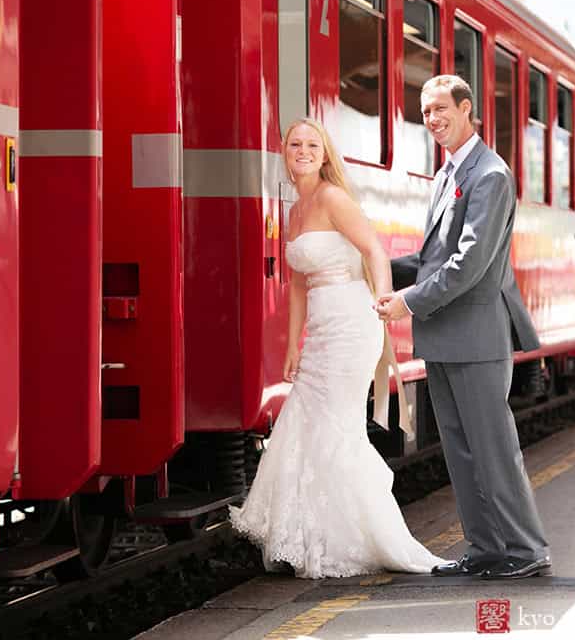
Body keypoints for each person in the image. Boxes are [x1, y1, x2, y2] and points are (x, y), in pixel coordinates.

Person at [229, 118, 446, 579]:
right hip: (323, 329)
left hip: (352, 322)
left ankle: (359, 538)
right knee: (306, 423)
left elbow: (374, 251)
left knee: (337, 427)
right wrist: (292, 344)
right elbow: (298, 285)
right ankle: (315, 536)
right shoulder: (294, 209)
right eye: (295, 145)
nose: (303, 151)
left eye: (312, 145)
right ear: (284, 153)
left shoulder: (330, 198)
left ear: (324, 154)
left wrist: (384, 301)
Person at [376, 75, 551, 579]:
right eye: (425, 111)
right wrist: (375, 267)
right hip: (447, 337)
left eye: (440, 109)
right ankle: (486, 550)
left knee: (492, 450)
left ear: (467, 108)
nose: (432, 119)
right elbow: (434, 258)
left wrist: (407, 301)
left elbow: (469, 263)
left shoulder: (489, 174)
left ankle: (525, 549)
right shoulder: (446, 174)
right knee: (461, 451)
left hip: (476, 337)